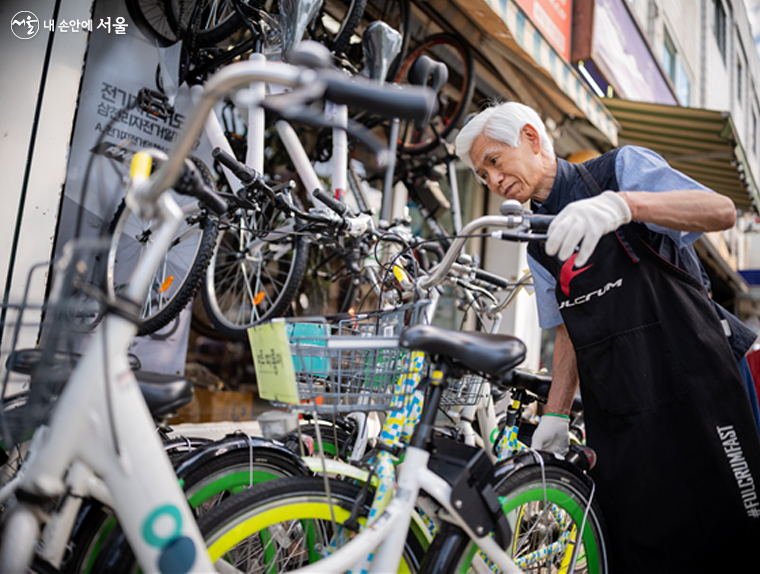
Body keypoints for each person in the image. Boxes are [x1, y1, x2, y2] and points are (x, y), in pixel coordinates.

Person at [456, 101, 760, 573]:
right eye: (481, 175)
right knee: (640, 541)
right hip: (620, 404)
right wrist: (555, 416)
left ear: (533, 140)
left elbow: (719, 211)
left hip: (697, 379)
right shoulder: (539, 240)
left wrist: (624, 205)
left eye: (494, 161)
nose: (492, 181)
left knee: (733, 524)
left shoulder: (618, 170)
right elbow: (568, 328)